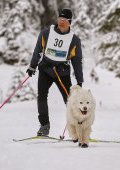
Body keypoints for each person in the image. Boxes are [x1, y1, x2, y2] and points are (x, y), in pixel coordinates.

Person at [26, 8, 83, 136]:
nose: (61, 21)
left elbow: (77, 60)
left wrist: (80, 80)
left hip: (62, 72)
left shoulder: (74, 40)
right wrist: (32, 66)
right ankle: (44, 126)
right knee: (41, 96)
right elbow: (38, 50)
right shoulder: (46, 33)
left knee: (70, 100)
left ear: (70, 22)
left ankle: (78, 127)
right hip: (45, 70)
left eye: (65, 19)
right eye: (60, 19)